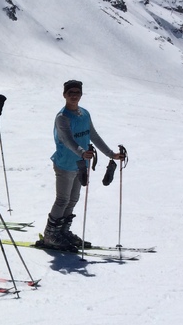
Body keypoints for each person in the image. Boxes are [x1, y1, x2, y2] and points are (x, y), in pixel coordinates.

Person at [40, 79, 125, 250]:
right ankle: (50, 235)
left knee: (72, 200)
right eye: (70, 93)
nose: (74, 96)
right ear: (64, 95)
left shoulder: (84, 114)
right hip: (65, 164)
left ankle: (62, 232)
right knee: (62, 200)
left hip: (81, 165)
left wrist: (111, 154)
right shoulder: (62, 117)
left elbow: (93, 135)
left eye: (77, 92)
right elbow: (67, 139)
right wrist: (81, 152)